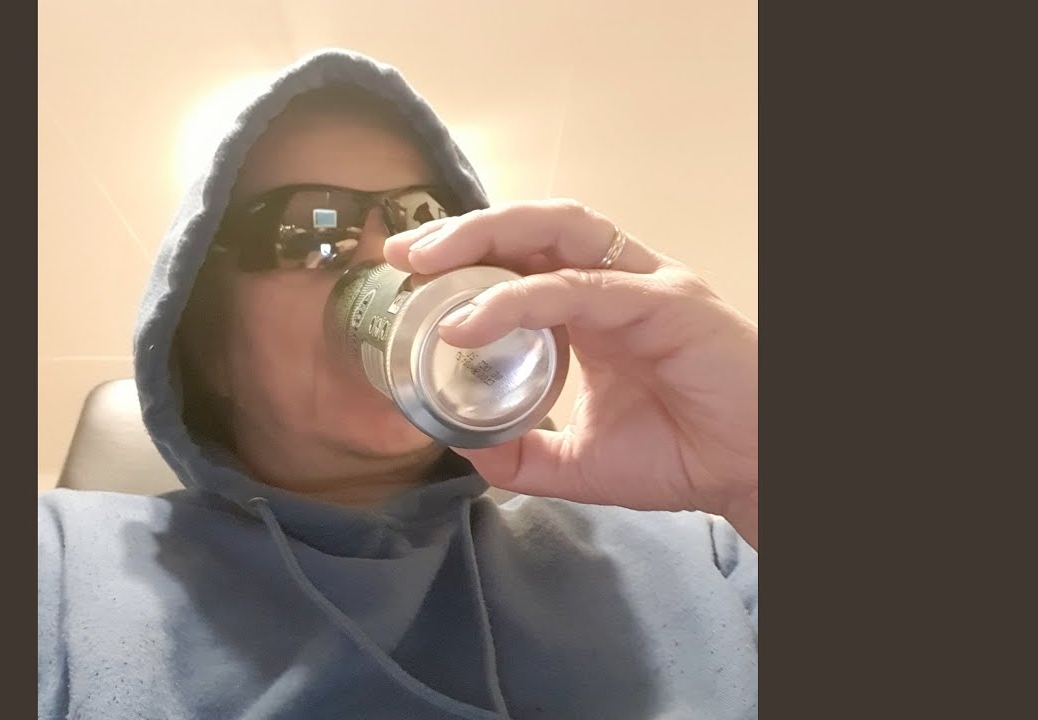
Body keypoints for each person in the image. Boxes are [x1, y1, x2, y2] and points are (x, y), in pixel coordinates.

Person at [39, 49, 757, 720]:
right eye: (311, 228)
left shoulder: (705, 557)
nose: (390, 258)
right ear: (209, 350)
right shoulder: (61, 563)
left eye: (427, 218)